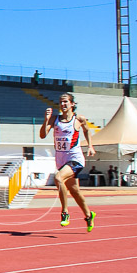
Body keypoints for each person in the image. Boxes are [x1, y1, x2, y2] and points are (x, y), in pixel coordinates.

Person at [39, 93, 96, 231]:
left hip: (75, 158)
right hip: (61, 159)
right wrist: (46, 120)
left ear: (72, 104)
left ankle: (65, 212)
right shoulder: (55, 119)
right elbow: (42, 135)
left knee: (58, 178)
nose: (63, 104)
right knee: (74, 190)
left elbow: (87, 130)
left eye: (65, 102)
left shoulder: (78, 119)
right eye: (60, 102)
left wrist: (90, 146)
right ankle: (89, 215)